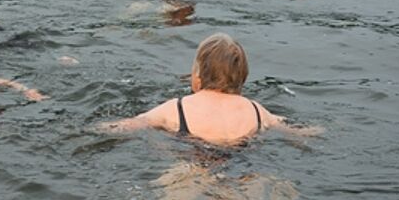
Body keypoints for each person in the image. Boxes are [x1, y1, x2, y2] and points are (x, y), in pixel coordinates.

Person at [98, 33, 320, 145]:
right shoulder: (256, 110)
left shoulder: (177, 107)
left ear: (197, 77)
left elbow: (129, 125)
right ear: (243, 76)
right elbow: (296, 131)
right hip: (244, 166)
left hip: (194, 164)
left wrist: (98, 127)